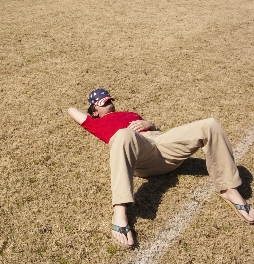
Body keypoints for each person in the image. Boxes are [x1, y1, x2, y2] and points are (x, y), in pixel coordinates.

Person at [68, 88, 254, 248]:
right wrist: (90, 107)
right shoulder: (96, 123)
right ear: (94, 110)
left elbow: (159, 133)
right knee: (123, 134)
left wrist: (151, 124)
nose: (108, 101)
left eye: (108, 98)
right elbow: (71, 110)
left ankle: (230, 188)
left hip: (162, 143)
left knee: (210, 125)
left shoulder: (130, 113)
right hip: (142, 154)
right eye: (103, 101)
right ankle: (120, 211)